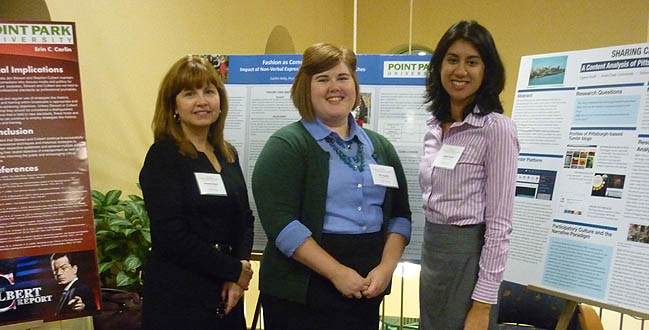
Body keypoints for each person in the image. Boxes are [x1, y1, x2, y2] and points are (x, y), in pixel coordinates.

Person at [252, 43, 412, 330]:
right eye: (322, 79)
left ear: (355, 85)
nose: (334, 87)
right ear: (306, 87)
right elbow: (281, 224)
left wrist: (386, 269)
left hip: (365, 288)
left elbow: (401, 217)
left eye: (342, 78)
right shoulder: (286, 146)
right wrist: (337, 273)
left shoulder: (380, 147)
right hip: (302, 293)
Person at [139, 56, 254, 330]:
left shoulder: (227, 154)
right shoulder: (164, 156)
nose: (202, 101)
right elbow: (171, 235)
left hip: (227, 291)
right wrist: (233, 270)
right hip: (180, 294)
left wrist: (237, 273)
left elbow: (245, 219)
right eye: (190, 93)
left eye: (209, 92)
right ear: (173, 106)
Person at [419, 21, 519, 330]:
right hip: (433, 255)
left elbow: (500, 224)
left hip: (469, 260)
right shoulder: (434, 126)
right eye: (452, 59)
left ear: (487, 69)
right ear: (439, 66)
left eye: (472, 61)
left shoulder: (496, 129)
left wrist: (482, 304)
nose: (460, 70)